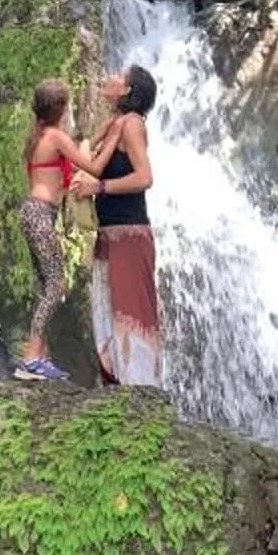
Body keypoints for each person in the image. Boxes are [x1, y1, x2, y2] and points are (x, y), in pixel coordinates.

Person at [86, 63, 163, 388]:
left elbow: (145, 177)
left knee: (130, 316)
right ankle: (120, 395)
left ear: (128, 90)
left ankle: (141, 398)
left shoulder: (132, 124)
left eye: (119, 75)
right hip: (110, 236)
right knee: (108, 316)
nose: (110, 76)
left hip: (128, 236)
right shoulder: (117, 124)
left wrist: (101, 188)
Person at [15, 80, 98, 381]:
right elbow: (89, 165)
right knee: (56, 284)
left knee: (44, 285)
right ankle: (31, 359)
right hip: (40, 214)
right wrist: (101, 139)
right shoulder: (56, 137)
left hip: (33, 213)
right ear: (60, 109)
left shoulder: (37, 137)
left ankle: (40, 357)